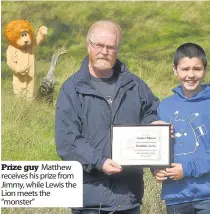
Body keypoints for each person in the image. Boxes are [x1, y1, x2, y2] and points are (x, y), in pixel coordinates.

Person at [55, 20, 160, 214]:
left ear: (117, 49)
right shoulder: (72, 89)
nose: (104, 51)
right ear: (88, 45)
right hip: (88, 202)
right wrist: (99, 161)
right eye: (99, 45)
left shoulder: (135, 86)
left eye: (111, 47)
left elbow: (151, 114)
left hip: (128, 198)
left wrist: (155, 126)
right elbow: (67, 141)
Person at [152, 42, 210, 214]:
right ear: (174, 69)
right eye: (185, 69)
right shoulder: (164, 107)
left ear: (205, 70)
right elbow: (157, 148)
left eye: (197, 69)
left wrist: (187, 169)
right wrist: (155, 169)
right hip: (176, 195)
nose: (191, 75)